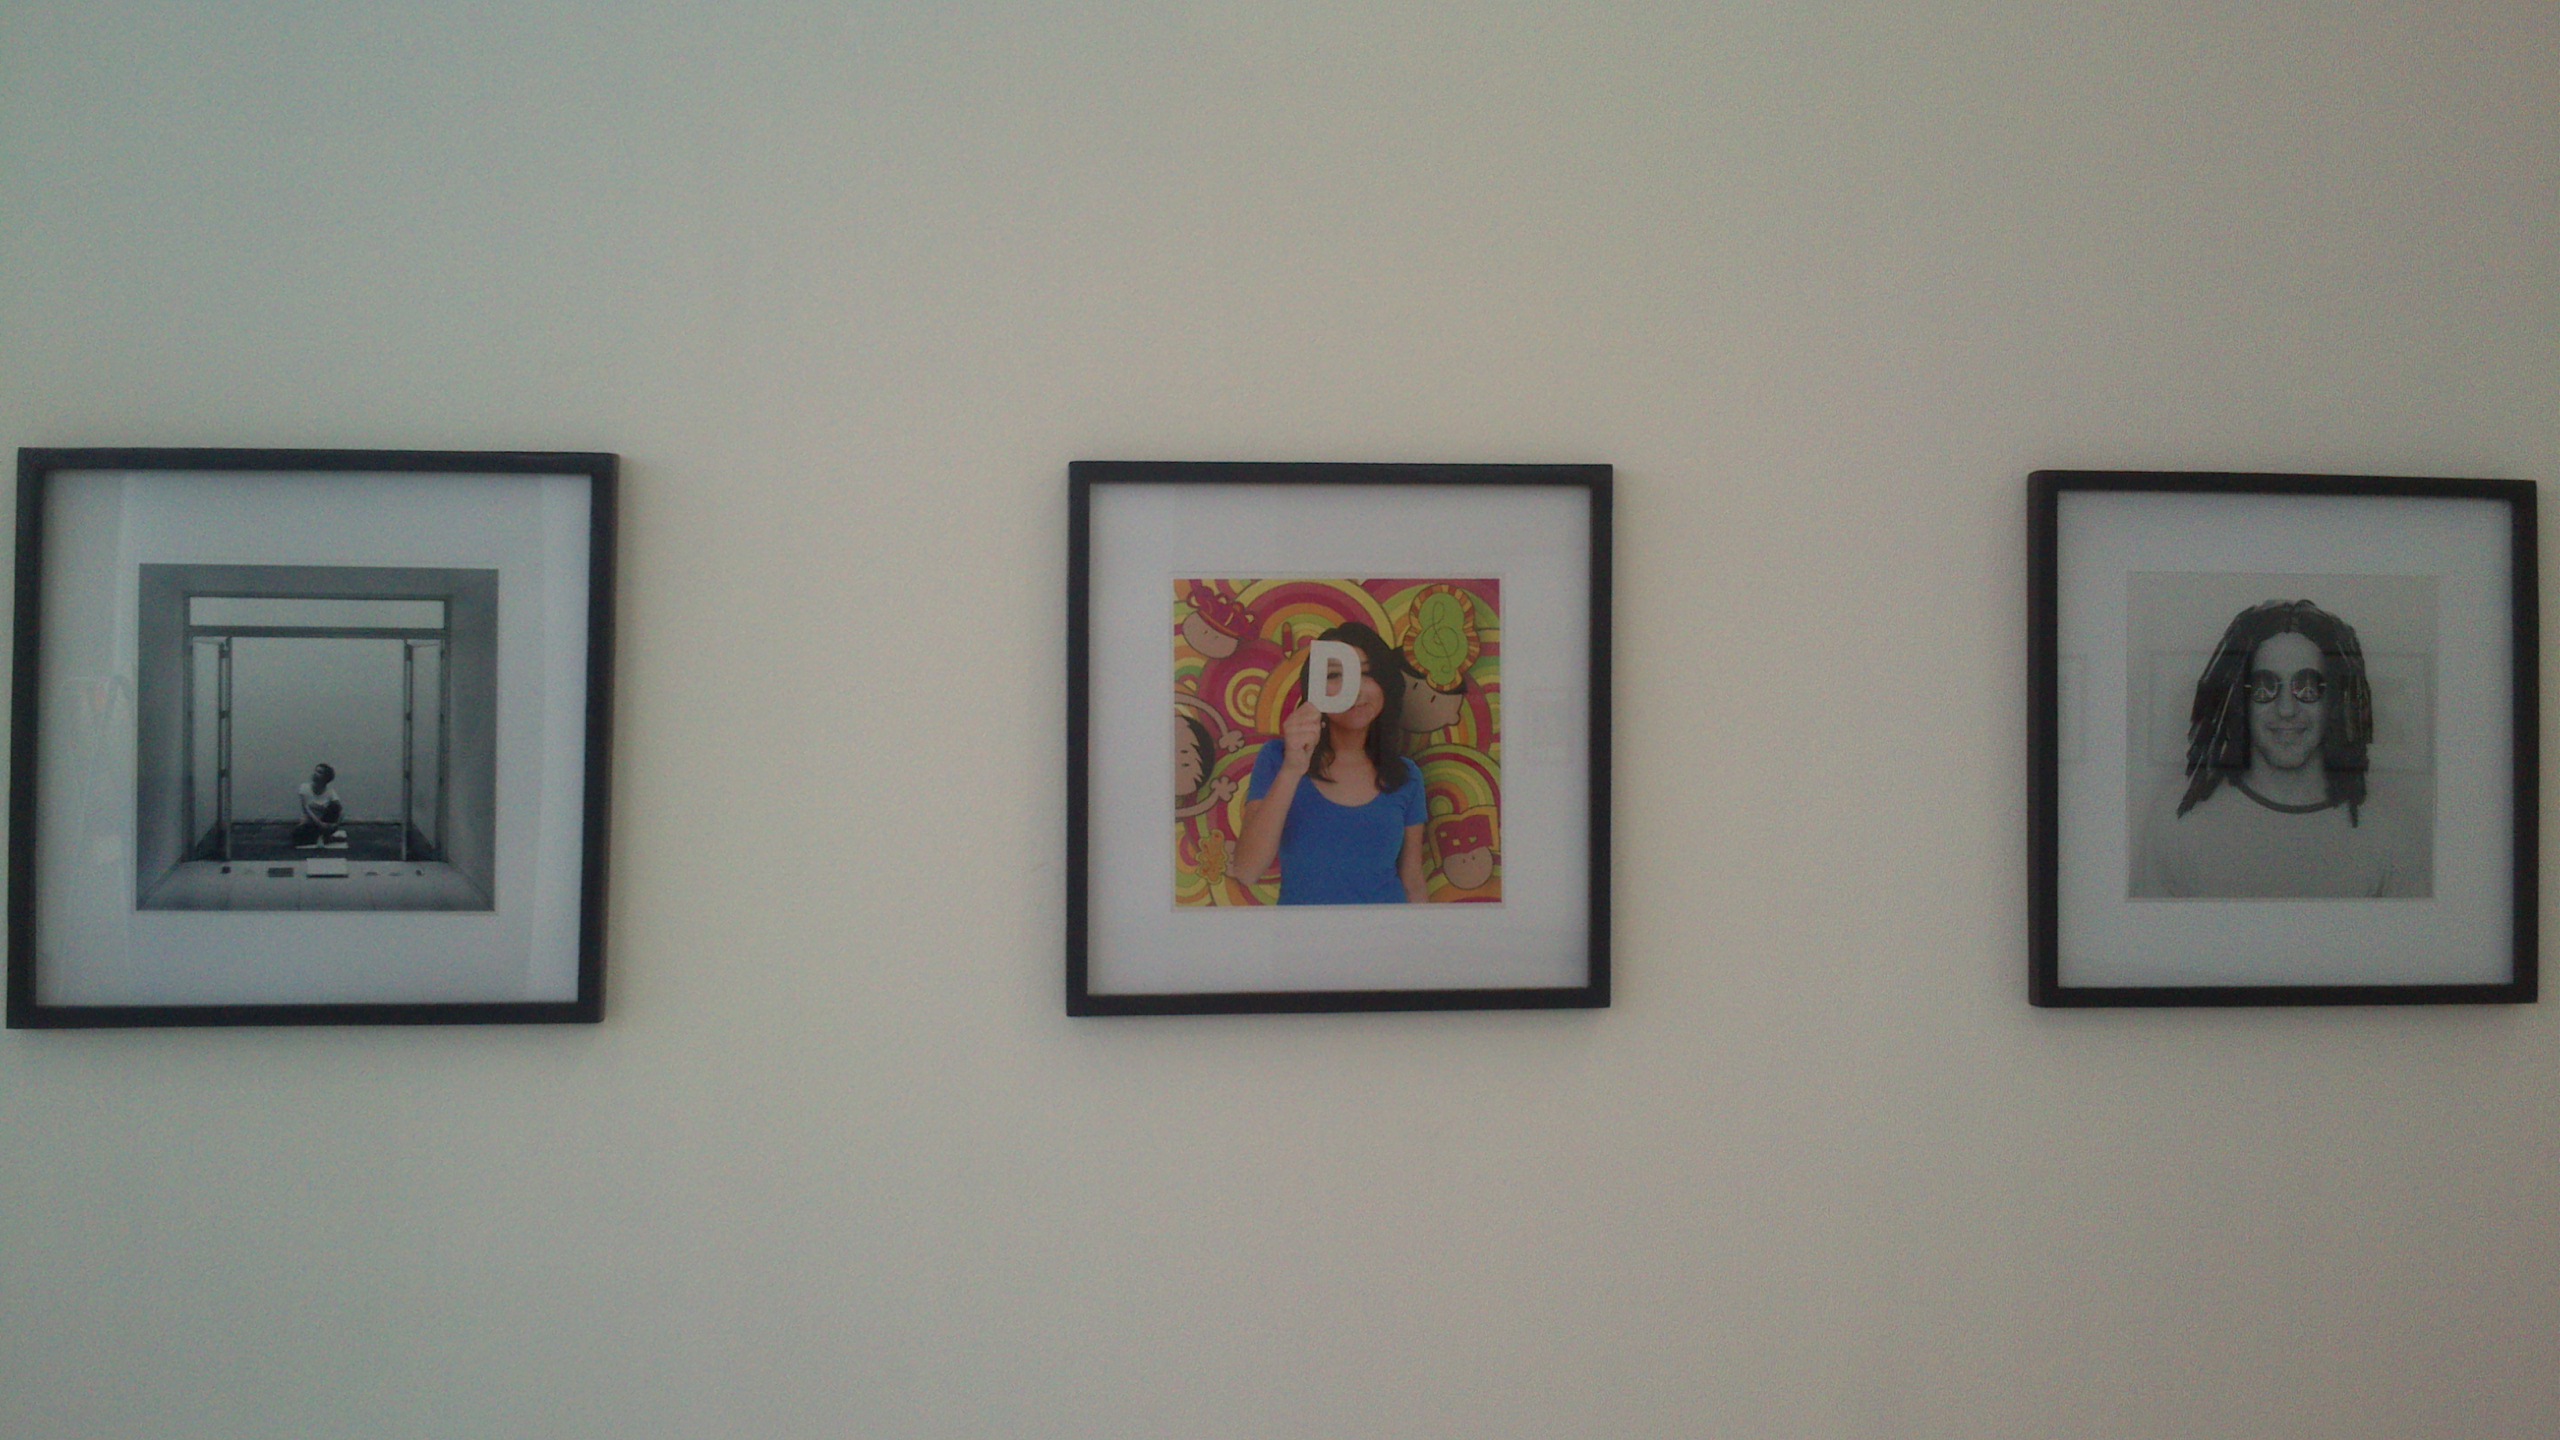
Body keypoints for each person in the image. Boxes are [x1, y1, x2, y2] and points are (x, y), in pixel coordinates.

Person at [2134, 599, 2423, 898]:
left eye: (2308, 687)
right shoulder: (2179, 822)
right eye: (2264, 687)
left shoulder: (2390, 830)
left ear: (2335, 700)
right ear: (2239, 699)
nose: (2286, 709)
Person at [1229, 622, 1428, 904]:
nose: (1354, 689)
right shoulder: (1277, 758)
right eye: (1335, 675)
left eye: (1367, 673)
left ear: (1385, 684)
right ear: (1314, 688)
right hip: (1304, 930)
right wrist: (1293, 769)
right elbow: (1247, 870)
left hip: (1385, 929)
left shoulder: (1406, 775)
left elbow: (1413, 881)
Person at [292, 763, 346, 849]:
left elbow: (341, 811)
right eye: (315, 771)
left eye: (319, 772)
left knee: (334, 807)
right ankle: (323, 837)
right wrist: (319, 824)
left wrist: (335, 825)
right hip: (310, 823)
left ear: (325, 778)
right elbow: (306, 809)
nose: (315, 773)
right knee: (296, 836)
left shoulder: (330, 792)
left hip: (325, 823)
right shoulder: (304, 788)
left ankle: (323, 835)